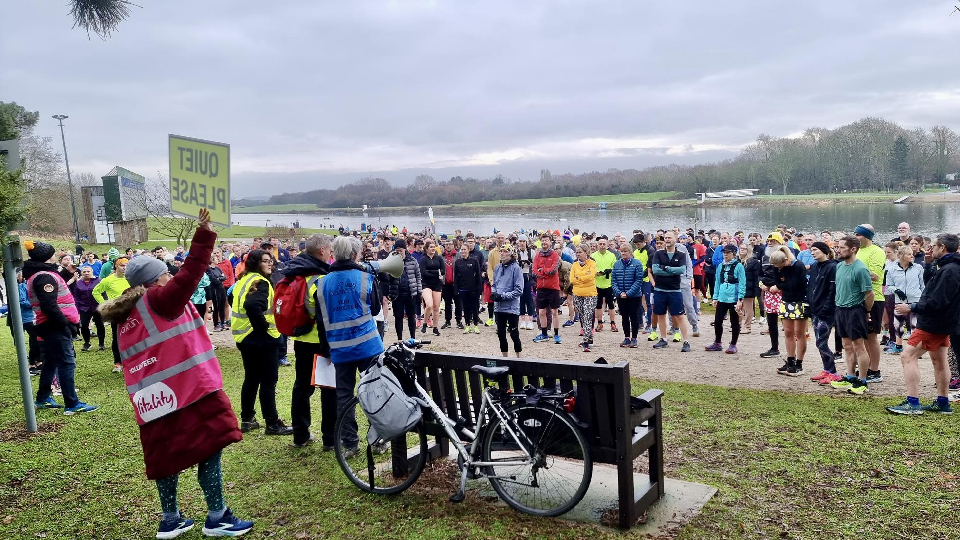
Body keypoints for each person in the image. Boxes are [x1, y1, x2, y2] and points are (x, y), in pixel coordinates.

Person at [98, 208, 252, 538]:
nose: (171, 276)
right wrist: (205, 231)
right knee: (211, 446)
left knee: (165, 456)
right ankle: (217, 516)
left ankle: (170, 519)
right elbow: (194, 271)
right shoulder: (160, 299)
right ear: (156, 279)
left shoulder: (127, 311)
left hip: (152, 399)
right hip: (191, 391)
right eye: (166, 273)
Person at [315, 235, 385, 459]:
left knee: (343, 396)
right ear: (355, 255)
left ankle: (350, 443)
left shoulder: (322, 282)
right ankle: (378, 439)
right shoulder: (365, 277)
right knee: (375, 392)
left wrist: (327, 350)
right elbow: (375, 309)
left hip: (339, 347)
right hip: (368, 346)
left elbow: (321, 320)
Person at [886, 233, 960, 415]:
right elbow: (930, 286)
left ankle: (913, 403)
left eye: (933, 246)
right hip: (944, 322)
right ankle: (943, 403)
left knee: (907, 356)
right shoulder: (948, 267)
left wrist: (911, 307)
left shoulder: (949, 270)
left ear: (942, 247)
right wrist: (928, 265)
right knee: (939, 360)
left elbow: (937, 301)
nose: (930, 249)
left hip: (933, 323)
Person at [23, 240, 98, 415]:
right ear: (48, 256)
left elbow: (53, 290)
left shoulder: (42, 274)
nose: (56, 255)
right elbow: (49, 305)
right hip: (55, 326)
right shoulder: (44, 276)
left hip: (51, 326)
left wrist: (65, 272)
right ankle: (72, 404)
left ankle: (42, 398)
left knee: (51, 362)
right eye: (53, 253)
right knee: (67, 362)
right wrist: (65, 325)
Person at [283, 234, 339, 449]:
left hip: (301, 339)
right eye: (330, 249)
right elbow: (326, 317)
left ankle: (300, 435)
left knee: (302, 387)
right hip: (321, 341)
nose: (332, 253)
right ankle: (330, 439)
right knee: (328, 389)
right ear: (323, 251)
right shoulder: (322, 278)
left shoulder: (297, 273)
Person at [230, 249, 294, 435]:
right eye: (265, 261)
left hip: (244, 338)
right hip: (260, 340)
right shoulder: (261, 282)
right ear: (256, 263)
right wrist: (263, 328)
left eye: (271, 261)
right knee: (268, 381)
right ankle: (273, 423)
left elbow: (232, 298)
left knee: (251, 378)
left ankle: (247, 419)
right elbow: (251, 305)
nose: (270, 264)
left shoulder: (243, 279)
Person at [829, 236, 875, 396]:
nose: (838, 250)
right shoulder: (840, 266)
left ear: (853, 249)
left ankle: (862, 381)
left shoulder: (860, 269)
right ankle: (850, 376)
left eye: (842, 247)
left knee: (858, 347)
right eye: (838, 247)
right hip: (840, 310)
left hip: (855, 311)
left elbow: (869, 293)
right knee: (846, 346)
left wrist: (866, 311)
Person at [766, 246, 809, 376]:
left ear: (786, 260)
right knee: (788, 332)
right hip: (786, 301)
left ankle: (799, 363)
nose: (778, 269)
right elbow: (780, 281)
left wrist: (778, 286)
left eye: (779, 266)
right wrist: (780, 285)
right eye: (776, 266)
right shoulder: (777, 267)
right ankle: (790, 361)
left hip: (800, 301)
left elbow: (794, 285)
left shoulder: (798, 266)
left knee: (800, 333)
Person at [854, 224, 885, 384]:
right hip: (856, 298)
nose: (855, 237)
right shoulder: (857, 251)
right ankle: (866, 367)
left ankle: (875, 370)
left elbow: (875, 276)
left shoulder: (877, 252)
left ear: (866, 236)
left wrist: (852, 272)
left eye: (858, 235)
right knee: (862, 336)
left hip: (874, 298)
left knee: (871, 337)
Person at [806, 242, 841, 385]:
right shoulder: (814, 267)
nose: (812, 253)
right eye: (811, 250)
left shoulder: (833, 267)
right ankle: (826, 369)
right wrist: (809, 305)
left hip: (826, 312)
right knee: (819, 342)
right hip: (815, 310)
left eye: (815, 250)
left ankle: (833, 372)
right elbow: (811, 287)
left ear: (824, 251)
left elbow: (832, 290)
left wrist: (826, 308)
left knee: (821, 342)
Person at [650, 231, 691, 352]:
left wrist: (667, 268)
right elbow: (656, 271)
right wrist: (672, 270)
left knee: (679, 315)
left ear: (676, 239)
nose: (667, 239)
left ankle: (686, 341)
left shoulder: (681, 254)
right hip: (659, 289)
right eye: (666, 238)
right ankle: (663, 339)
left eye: (669, 237)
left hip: (675, 290)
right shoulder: (658, 254)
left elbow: (682, 270)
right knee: (661, 314)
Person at [884, 245, 925, 355]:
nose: (912, 256)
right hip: (899, 300)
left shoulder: (918, 268)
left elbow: (922, 285)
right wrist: (897, 291)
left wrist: (922, 298)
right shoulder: (892, 269)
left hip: (915, 300)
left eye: (912, 254)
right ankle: (898, 346)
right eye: (909, 254)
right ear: (901, 256)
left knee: (914, 324)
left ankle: (914, 348)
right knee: (898, 323)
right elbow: (889, 286)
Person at [93, 256, 129, 373]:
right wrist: (106, 305)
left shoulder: (131, 277)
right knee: (117, 337)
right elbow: (96, 292)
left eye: (126, 265)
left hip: (132, 311)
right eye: (122, 265)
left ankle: (132, 360)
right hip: (117, 313)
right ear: (116, 266)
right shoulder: (108, 280)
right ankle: (118, 363)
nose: (125, 268)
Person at [706, 244, 744, 354]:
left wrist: (740, 299)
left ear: (733, 253)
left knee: (734, 321)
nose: (725, 254)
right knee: (718, 320)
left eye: (728, 252)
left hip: (734, 298)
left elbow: (742, 283)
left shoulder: (738, 266)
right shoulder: (720, 266)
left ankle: (733, 344)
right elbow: (717, 282)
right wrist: (715, 297)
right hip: (722, 297)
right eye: (724, 252)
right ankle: (717, 343)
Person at [491, 244, 524, 357]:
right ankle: (505, 358)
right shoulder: (497, 267)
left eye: (505, 251)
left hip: (511, 308)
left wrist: (503, 296)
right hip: (499, 307)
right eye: (501, 251)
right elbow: (494, 284)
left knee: (514, 333)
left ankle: (518, 357)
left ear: (511, 254)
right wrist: (494, 293)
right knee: (501, 333)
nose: (502, 253)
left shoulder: (516, 268)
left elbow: (519, 290)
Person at [611, 243, 644, 348]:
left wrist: (629, 293)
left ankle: (634, 338)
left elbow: (638, 280)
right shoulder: (617, 264)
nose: (623, 253)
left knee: (634, 316)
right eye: (622, 251)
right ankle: (626, 337)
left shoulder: (637, 263)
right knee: (624, 316)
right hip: (621, 295)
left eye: (626, 251)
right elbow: (614, 280)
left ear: (630, 252)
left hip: (634, 296)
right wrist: (619, 292)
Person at [532, 233, 563, 344]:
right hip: (541, 287)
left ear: (550, 242)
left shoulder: (555, 255)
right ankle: (544, 333)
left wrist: (543, 270)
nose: (544, 242)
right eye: (543, 240)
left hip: (553, 287)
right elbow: (534, 271)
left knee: (554, 312)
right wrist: (543, 272)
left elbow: (553, 270)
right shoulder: (537, 255)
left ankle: (556, 334)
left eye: (546, 240)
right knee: (541, 312)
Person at [390, 239, 422, 340]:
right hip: (397, 293)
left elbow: (418, 277)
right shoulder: (392, 261)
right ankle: (400, 339)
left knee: (411, 316)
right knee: (398, 317)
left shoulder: (412, 260)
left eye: (401, 250)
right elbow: (388, 277)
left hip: (410, 292)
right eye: (397, 250)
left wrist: (419, 292)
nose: (399, 252)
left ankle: (412, 337)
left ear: (405, 249)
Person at [759, 232, 785, 358]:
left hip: (783, 292)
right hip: (769, 292)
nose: (770, 243)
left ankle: (793, 351)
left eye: (773, 241)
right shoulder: (764, 257)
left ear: (779, 242)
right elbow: (760, 274)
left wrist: (779, 286)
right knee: (771, 321)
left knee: (787, 321)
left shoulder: (786, 256)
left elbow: (790, 276)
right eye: (769, 241)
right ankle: (774, 347)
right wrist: (761, 285)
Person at [570, 244, 598, 352]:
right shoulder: (575, 265)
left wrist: (579, 278)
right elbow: (572, 279)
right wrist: (582, 279)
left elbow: (591, 277)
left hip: (590, 294)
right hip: (577, 294)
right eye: (577, 252)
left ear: (586, 253)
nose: (578, 254)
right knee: (582, 316)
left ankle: (586, 341)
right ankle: (589, 337)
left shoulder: (592, 263)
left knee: (587, 315)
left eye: (580, 252)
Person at [73, 265, 105, 352]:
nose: (86, 273)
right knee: (84, 325)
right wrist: (77, 307)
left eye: (88, 271)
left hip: (97, 307)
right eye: (84, 272)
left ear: (92, 272)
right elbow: (76, 296)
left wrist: (104, 304)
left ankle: (101, 343)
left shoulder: (99, 281)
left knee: (99, 324)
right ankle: (87, 343)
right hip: (84, 307)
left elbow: (103, 293)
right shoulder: (78, 283)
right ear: (81, 273)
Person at [591, 236, 618, 333]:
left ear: (607, 246)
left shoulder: (612, 255)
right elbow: (591, 268)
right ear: (597, 245)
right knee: (598, 305)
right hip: (597, 283)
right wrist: (597, 273)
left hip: (608, 283)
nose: (602, 246)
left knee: (611, 305)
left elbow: (615, 268)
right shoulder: (593, 256)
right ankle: (599, 323)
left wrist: (609, 271)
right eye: (600, 244)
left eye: (604, 244)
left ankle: (613, 323)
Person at [454, 243, 483, 333]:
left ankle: (475, 325)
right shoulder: (458, 262)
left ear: (468, 250)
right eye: (461, 250)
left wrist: (480, 289)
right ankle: (467, 325)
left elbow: (478, 275)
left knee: (474, 307)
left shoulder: (474, 261)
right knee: (465, 308)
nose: (463, 251)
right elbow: (456, 277)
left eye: (464, 249)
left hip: (473, 288)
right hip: (463, 288)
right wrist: (456, 289)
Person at [419, 239, 443, 336]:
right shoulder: (423, 259)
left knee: (436, 307)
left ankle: (435, 328)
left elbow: (443, 271)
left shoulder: (439, 258)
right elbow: (423, 273)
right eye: (431, 247)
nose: (433, 249)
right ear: (426, 249)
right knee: (429, 304)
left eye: (434, 247)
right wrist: (436, 273)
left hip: (437, 284)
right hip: (426, 284)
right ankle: (425, 323)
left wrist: (431, 272)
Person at [515, 235, 537, 330]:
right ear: (518, 242)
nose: (522, 243)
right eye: (520, 241)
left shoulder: (532, 252)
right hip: (519, 277)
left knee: (530, 299)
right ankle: (523, 320)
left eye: (524, 241)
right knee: (521, 299)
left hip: (528, 276)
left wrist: (529, 263)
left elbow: (536, 264)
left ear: (526, 242)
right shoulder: (516, 252)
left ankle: (530, 320)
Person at [739, 244, 761, 334]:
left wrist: (756, 290)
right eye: (741, 248)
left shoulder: (754, 262)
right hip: (738, 287)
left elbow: (757, 277)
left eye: (744, 249)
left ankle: (747, 326)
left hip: (749, 287)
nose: (742, 250)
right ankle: (738, 325)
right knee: (738, 307)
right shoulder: (737, 261)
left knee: (748, 308)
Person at [440, 239, 461, 329]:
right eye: (446, 244)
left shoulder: (458, 255)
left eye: (450, 244)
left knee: (458, 303)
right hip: (445, 284)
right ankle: (448, 321)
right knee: (447, 303)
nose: (448, 246)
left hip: (456, 283)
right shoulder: (441, 257)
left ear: (454, 245)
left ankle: (458, 321)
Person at [206, 250, 228, 332]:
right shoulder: (209, 269)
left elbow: (224, 277)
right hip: (215, 289)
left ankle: (223, 322)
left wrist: (220, 278)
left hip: (221, 288)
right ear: (212, 260)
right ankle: (216, 324)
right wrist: (220, 278)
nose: (218, 260)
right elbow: (214, 280)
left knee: (222, 305)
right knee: (217, 307)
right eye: (216, 259)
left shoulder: (218, 269)